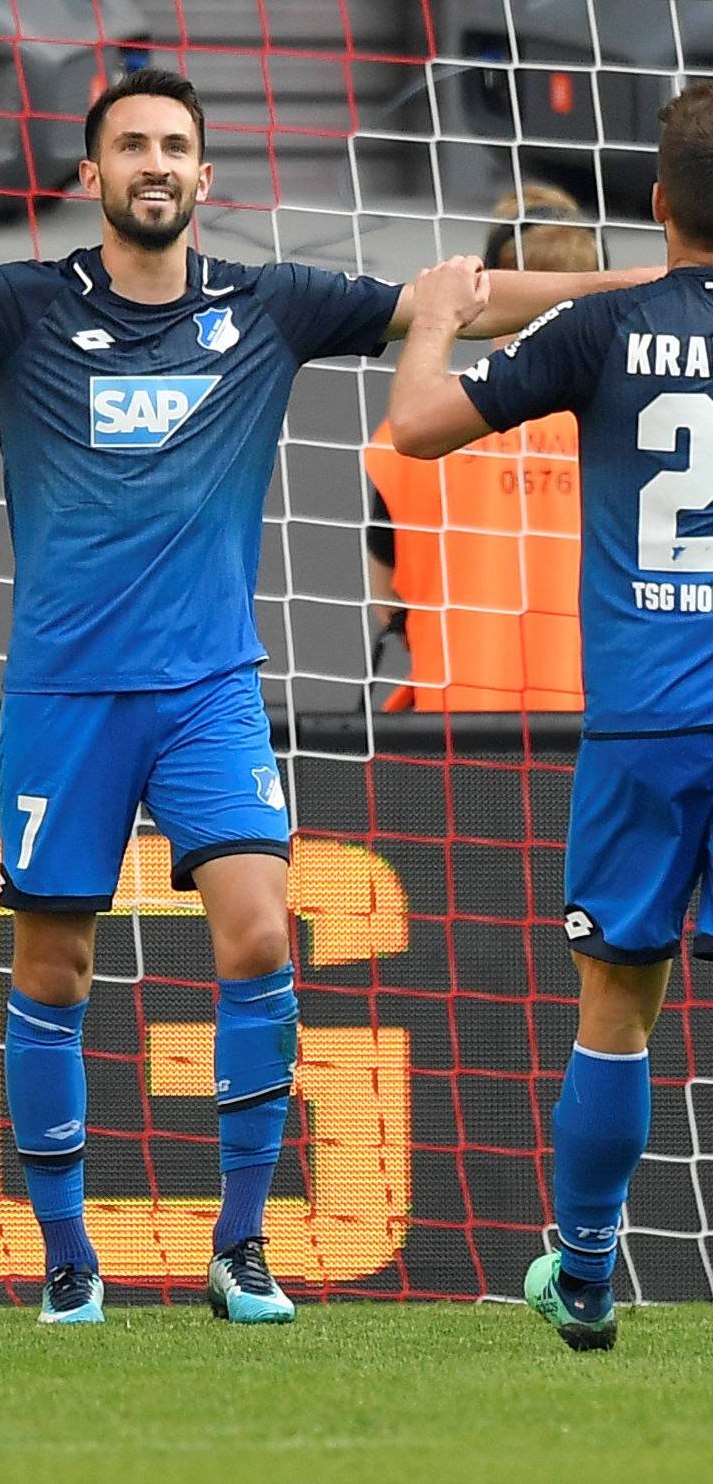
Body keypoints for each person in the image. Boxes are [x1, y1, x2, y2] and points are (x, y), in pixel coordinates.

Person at [0, 67, 648, 1327]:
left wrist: (647, 289)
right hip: (67, 694)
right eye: (131, 146)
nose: (155, 163)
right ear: (89, 175)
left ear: (207, 179)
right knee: (52, 963)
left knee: (261, 931)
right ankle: (65, 1256)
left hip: (210, 689)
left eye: (176, 147)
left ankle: (242, 1245)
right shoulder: (24, 307)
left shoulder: (270, 305)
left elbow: (469, 302)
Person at [385, 83, 713, 1352]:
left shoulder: (604, 326)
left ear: (657, 204)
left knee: (617, 1004)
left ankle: (582, 1269)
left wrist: (436, 317)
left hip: (645, 720)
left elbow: (417, 426)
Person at [363, 184, 598, 711]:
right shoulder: (629, 423)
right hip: (607, 728)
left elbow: (388, 599)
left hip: (459, 734)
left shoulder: (421, 428)